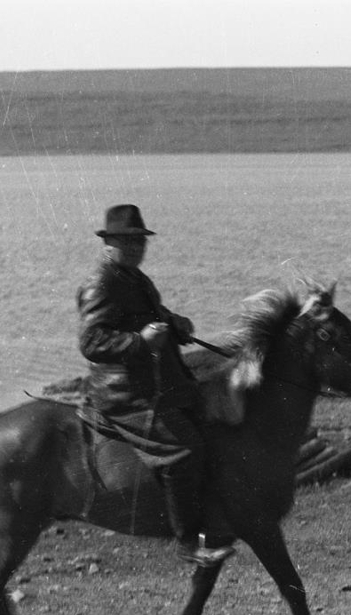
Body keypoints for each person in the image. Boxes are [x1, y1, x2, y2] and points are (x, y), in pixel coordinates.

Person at [76, 204, 235, 567]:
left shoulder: (134, 277)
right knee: (183, 449)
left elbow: (151, 317)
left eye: (140, 241)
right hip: (123, 392)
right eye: (126, 241)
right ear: (108, 243)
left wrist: (175, 324)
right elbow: (91, 341)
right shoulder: (102, 283)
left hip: (156, 383)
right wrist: (140, 342)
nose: (135, 247)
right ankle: (188, 543)